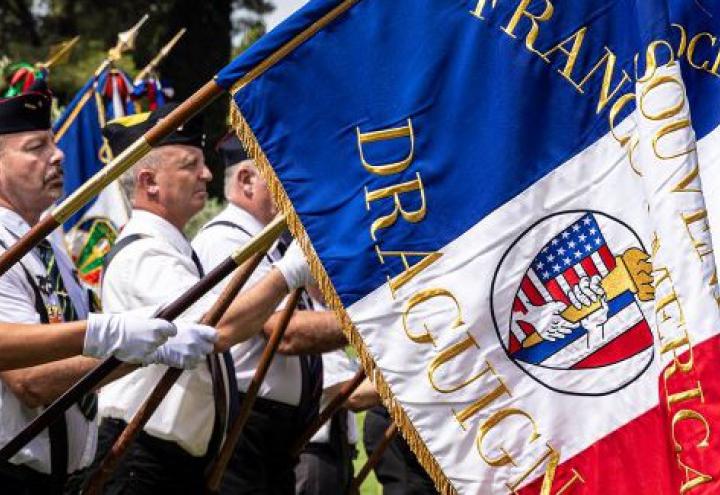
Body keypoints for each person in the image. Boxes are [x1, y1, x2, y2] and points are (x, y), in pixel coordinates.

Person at [0, 86, 217, 495]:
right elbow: (31, 380)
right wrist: (127, 346)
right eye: (36, 147)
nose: (58, 155)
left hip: (66, 477)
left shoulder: (49, 248)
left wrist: (132, 348)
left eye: (54, 143)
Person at [95, 110, 314, 494]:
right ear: (149, 183)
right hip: (143, 459)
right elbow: (219, 328)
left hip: (173, 460)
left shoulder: (171, 250)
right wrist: (288, 273)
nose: (208, 174)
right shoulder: (145, 256)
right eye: (189, 165)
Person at [192, 132, 347, 494]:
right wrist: (365, 324)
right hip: (246, 427)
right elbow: (285, 332)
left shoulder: (270, 245)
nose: (298, 190)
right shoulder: (228, 241)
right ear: (246, 180)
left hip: (274, 433)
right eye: (286, 177)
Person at [295, 349, 360, 495]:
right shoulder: (322, 353)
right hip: (316, 460)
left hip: (341, 456)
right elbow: (356, 397)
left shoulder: (339, 354)